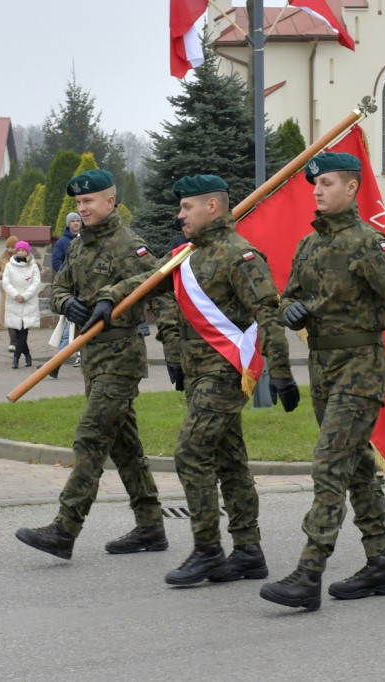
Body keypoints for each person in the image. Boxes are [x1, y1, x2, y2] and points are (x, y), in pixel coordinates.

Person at [259, 152, 385, 611]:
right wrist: (292, 311)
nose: (317, 190)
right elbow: (289, 296)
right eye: (316, 184)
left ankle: (309, 573)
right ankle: (380, 565)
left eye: (327, 183)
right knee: (357, 470)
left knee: (329, 465)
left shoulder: (368, 244)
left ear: (351, 188)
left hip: (360, 370)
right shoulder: (309, 245)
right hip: (323, 369)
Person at [95, 174, 301, 586]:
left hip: (225, 373)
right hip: (197, 373)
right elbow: (147, 280)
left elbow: (268, 313)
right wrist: (108, 297)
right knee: (229, 460)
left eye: (187, 207)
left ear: (212, 207)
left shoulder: (240, 256)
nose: (180, 215)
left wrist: (280, 372)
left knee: (190, 452)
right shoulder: (187, 255)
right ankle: (248, 552)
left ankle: (207, 549)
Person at [15, 169, 180, 560]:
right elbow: (59, 287)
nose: (82, 209)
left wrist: (172, 348)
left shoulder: (131, 245)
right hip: (91, 358)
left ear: (110, 202)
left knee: (90, 437)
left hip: (121, 358)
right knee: (124, 446)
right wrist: (63, 303)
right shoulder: (76, 246)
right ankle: (150, 526)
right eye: (78, 204)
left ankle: (65, 528)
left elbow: (162, 292)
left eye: (89, 202)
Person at [49, 212, 83, 377]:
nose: (76, 223)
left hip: (86, 290)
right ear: (68, 224)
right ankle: (55, 365)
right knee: (69, 332)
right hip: (72, 293)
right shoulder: (63, 242)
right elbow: (56, 263)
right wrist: (70, 272)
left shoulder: (84, 239)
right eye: (73, 221)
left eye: (78, 221)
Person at [1, 241, 41, 369]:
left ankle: (16, 358)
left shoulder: (33, 266)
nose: (20, 252)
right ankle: (28, 356)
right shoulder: (9, 266)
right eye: (18, 250)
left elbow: (36, 283)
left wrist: (25, 296)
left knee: (24, 330)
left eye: (23, 250)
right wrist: (16, 295)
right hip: (14, 302)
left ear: (27, 252)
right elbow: (6, 282)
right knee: (17, 332)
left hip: (28, 302)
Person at [0, 236, 19, 352]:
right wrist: (3, 275)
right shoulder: (2, 258)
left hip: (19, 291)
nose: (10, 250)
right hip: (6, 292)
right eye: (8, 247)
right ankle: (13, 342)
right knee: (9, 317)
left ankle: (19, 340)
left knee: (18, 317)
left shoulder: (23, 256)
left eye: (13, 247)